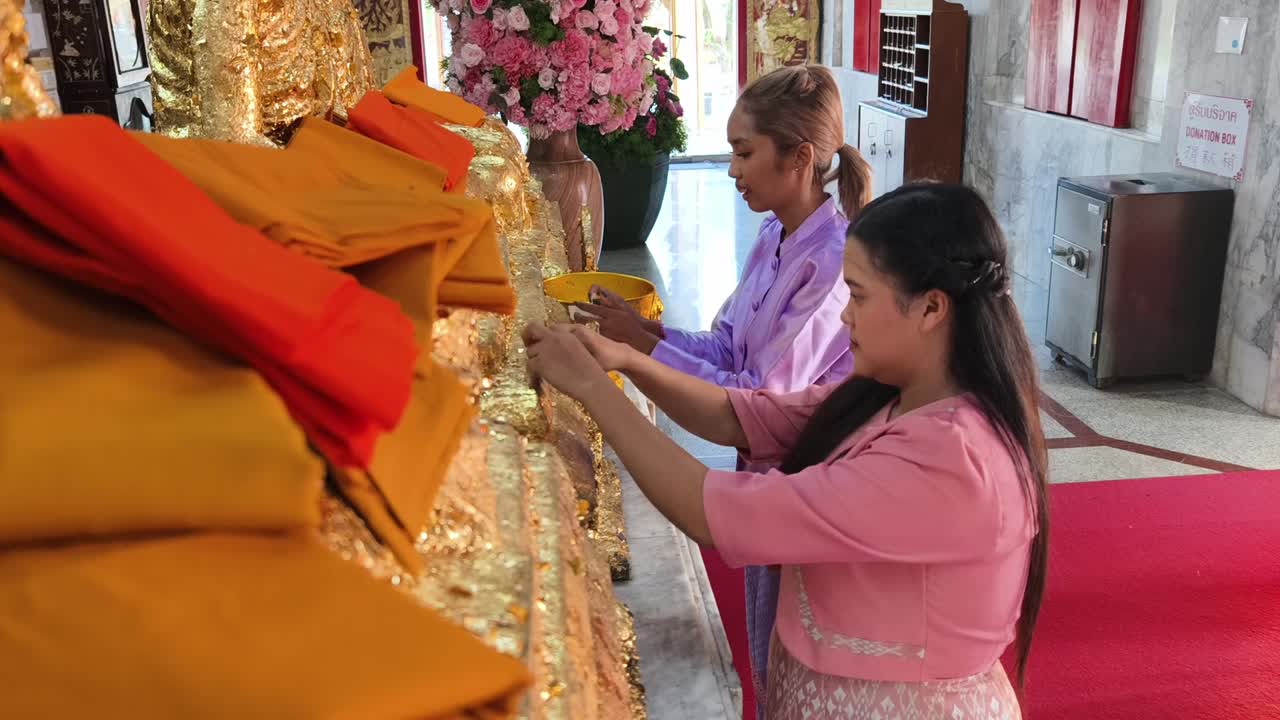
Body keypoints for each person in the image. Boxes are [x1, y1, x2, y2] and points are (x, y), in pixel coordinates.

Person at [526, 183, 1049, 719]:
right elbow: (741, 414)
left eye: (859, 294)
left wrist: (592, 390)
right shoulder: (892, 394)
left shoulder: (954, 458)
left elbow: (716, 511)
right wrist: (626, 360)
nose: (845, 316)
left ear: (931, 308)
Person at [577, 64, 872, 706]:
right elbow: (728, 348)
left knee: (797, 649)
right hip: (765, 468)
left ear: (799, 158)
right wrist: (645, 337)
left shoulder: (829, 263)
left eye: (744, 153)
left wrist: (634, 365)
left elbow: (756, 401)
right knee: (764, 639)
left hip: (804, 478)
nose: (732, 170)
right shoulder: (774, 235)